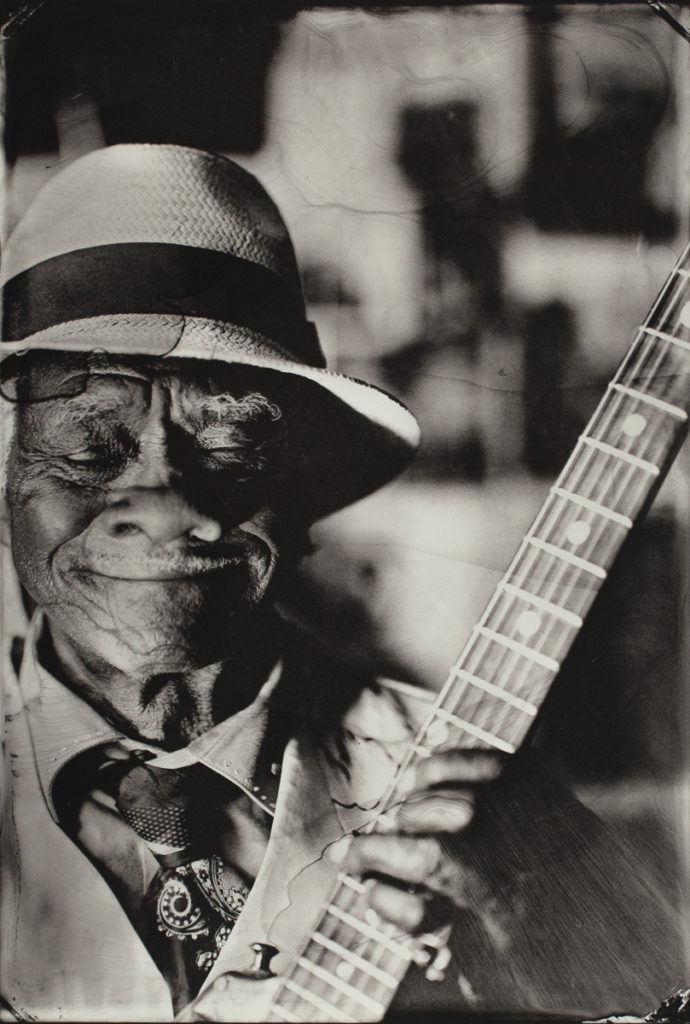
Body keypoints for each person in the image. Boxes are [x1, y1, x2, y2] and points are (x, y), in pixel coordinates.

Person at [0, 144, 684, 1023]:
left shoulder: (488, 804)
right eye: (92, 441)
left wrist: (545, 953)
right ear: (7, 474)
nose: (165, 504)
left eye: (228, 437)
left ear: (306, 483)